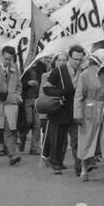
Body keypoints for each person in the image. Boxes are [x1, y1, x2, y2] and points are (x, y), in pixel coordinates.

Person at [73, 41, 104, 181]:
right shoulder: (85, 74)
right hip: (89, 110)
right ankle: (84, 171)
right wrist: (77, 113)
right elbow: (79, 95)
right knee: (87, 140)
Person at [42, 46, 82, 174]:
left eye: (80, 59)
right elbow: (46, 89)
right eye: (75, 59)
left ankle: (79, 166)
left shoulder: (82, 71)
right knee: (59, 139)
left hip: (75, 111)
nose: (77, 62)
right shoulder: (58, 71)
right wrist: (61, 92)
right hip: (60, 110)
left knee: (77, 140)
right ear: (69, 57)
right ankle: (56, 162)